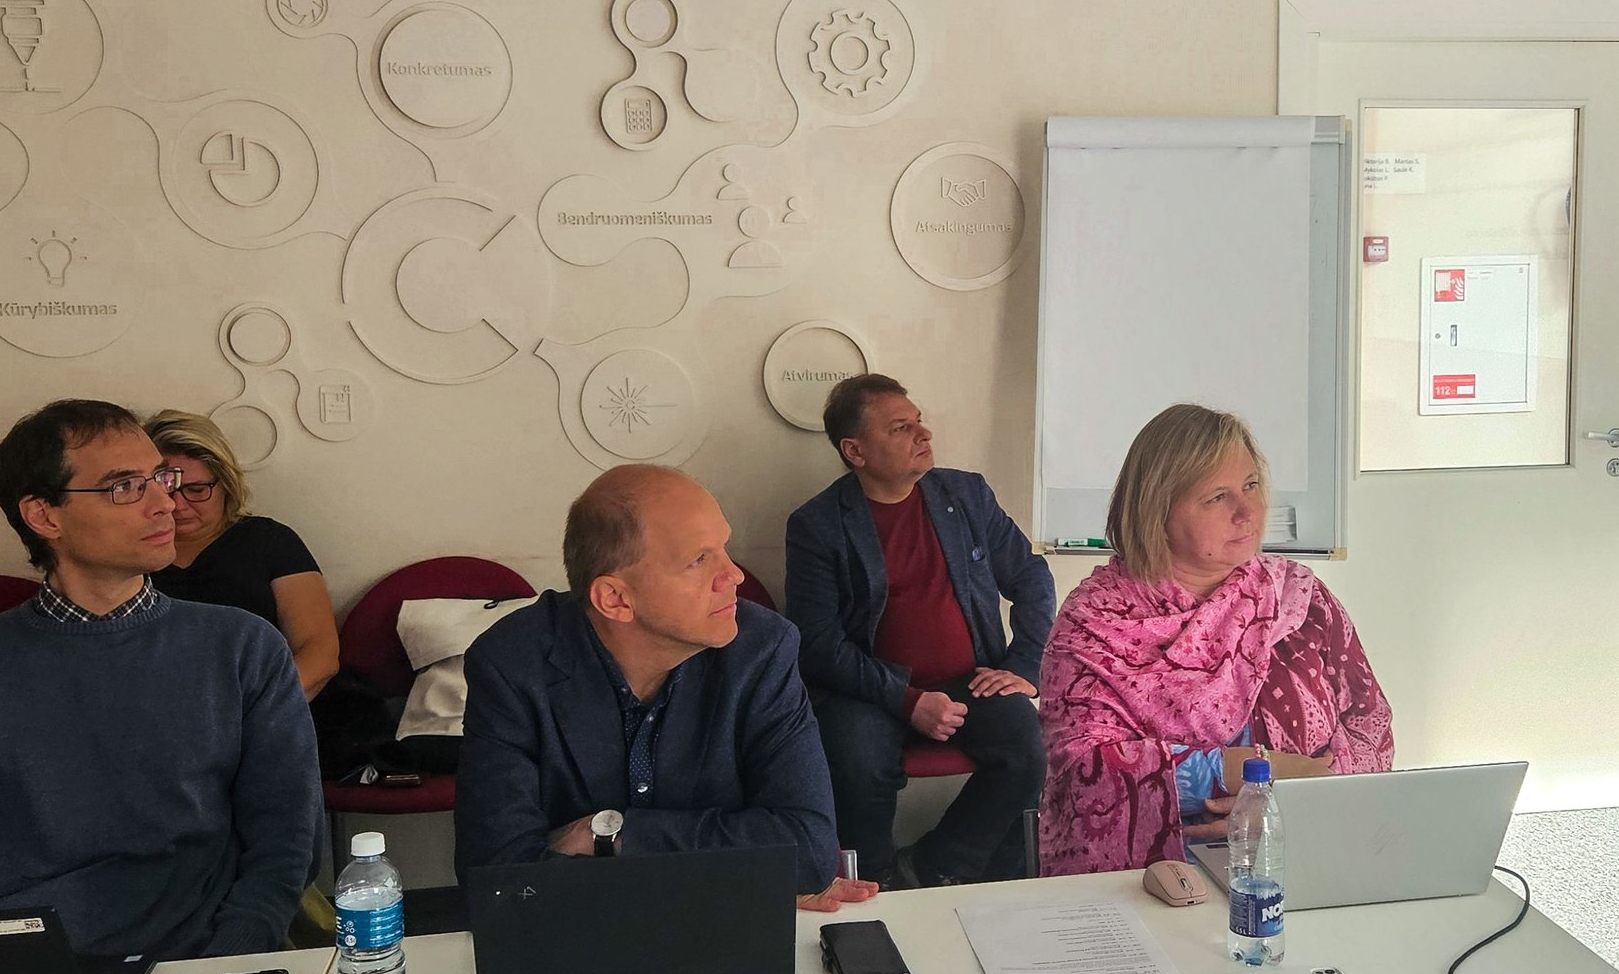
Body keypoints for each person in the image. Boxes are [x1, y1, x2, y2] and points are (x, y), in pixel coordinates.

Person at [0, 400, 320, 957]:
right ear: (44, 516)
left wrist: (232, 956)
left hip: (202, 954)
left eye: (160, 478)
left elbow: (286, 841)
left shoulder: (243, 647)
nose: (166, 503)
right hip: (21, 963)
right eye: (125, 487)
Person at [455, 464, 867, 908]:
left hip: (718, 929)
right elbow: (498, 879)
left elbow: (809, 852)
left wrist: (609, 835)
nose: (734, 575)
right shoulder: (512, 665)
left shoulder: (763, 649)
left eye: (723, 548)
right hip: (576, 936)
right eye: (698, 560)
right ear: (615, 598)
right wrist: (736, 873)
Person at [1038, 404, 1392, 876]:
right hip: (1153, 878)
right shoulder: (1094, 622)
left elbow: (1370, 725)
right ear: (1157, 511)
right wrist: (1248, 772)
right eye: (1217, 497)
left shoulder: (1299, 599)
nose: (1247, 512)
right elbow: (1082, 770)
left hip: (1303, 858)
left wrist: (1300, 801)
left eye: (1251, 486)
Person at [784, 375, 1055, 886]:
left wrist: (1024, 664)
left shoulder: (967, 495)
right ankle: (874, 881)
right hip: (867, 691)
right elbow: (817, 644)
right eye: (900, 428)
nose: (923, 434)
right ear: (855, 451)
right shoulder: (817, 525)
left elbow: (1031, 576)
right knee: (858, 762)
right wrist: (908, 700)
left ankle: (933, 868)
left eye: (918, 421)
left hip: (971, 679)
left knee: (1027, 750)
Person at [145, 409, 340, 698]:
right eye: (166, 489)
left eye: (197, 490)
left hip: (270, 700)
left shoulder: (268, 541)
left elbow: (320, 654)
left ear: (226, 484)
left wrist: (256, 706)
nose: (178, 505)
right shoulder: (129, 553)